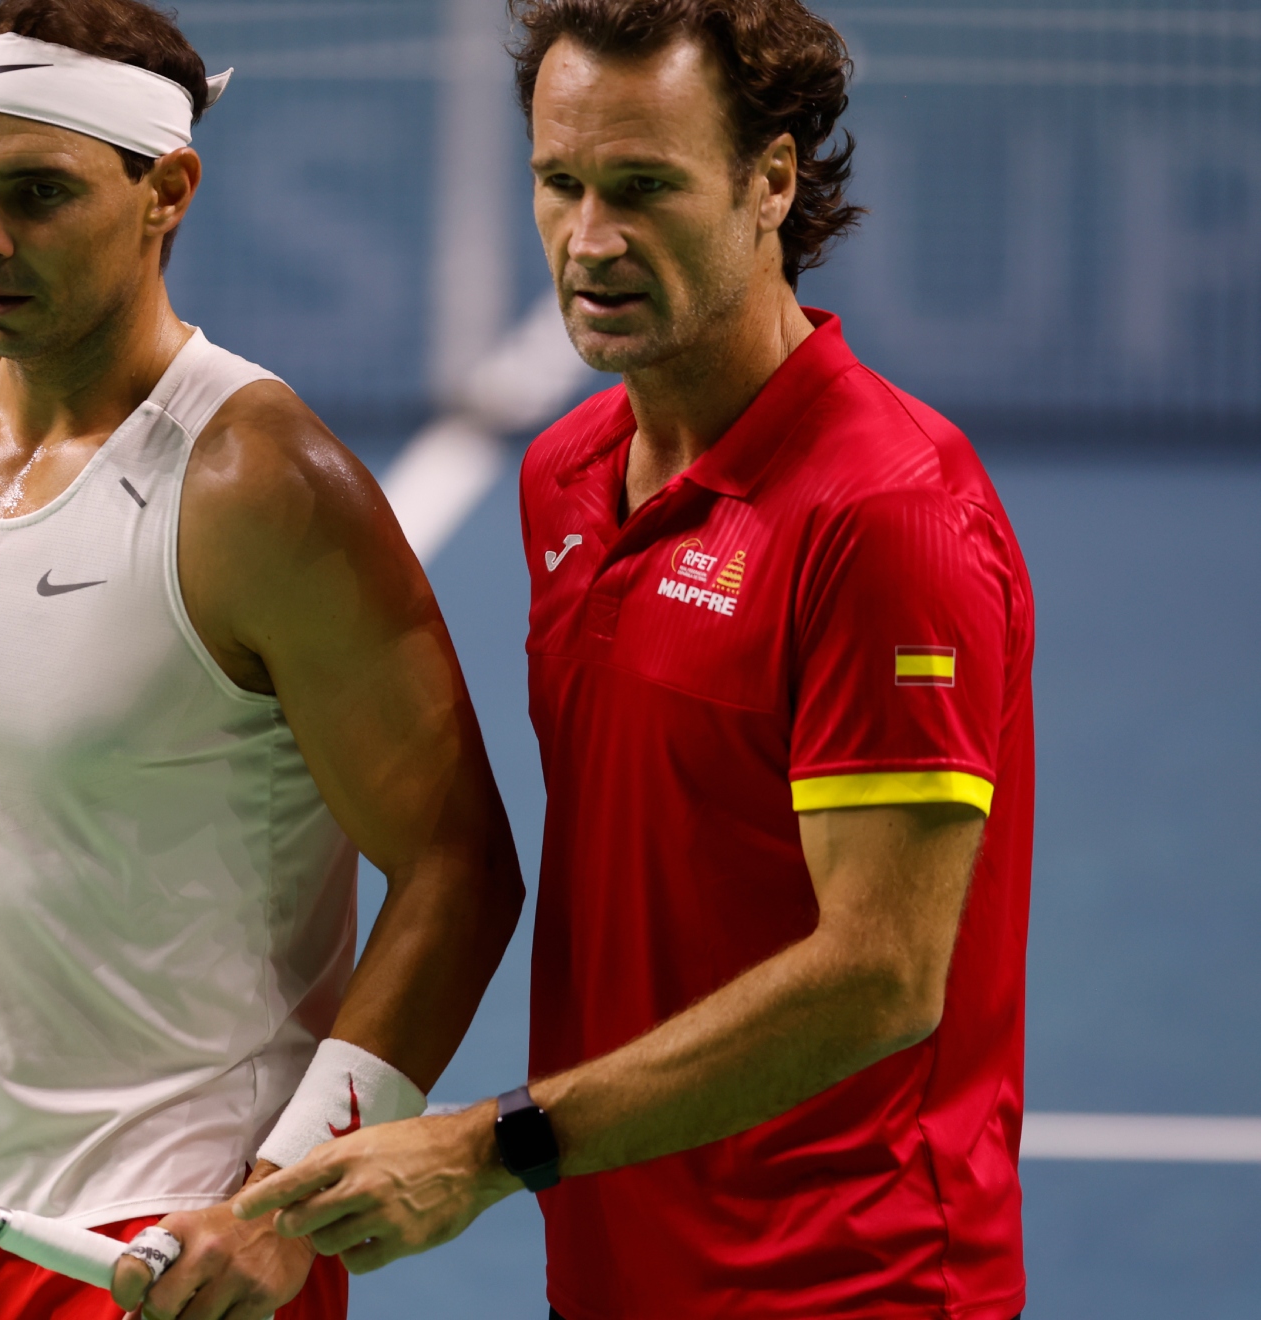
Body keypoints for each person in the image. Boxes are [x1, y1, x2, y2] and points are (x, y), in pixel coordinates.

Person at [0, 1, 526, 1317]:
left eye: (39, 193)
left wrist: (286, 1200)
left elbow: (459, 866)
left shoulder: (263, 487)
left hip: (174, 1249)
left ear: (166, 192)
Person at [235, 2, 1035, 1317]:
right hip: (620, 1263)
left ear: (773, 179)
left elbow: (882, 974)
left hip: (846, 1280)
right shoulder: (569, 475)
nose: (590, 240)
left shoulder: (885, 516)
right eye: (562, 182)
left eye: (646, 188)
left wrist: (492, 1148)